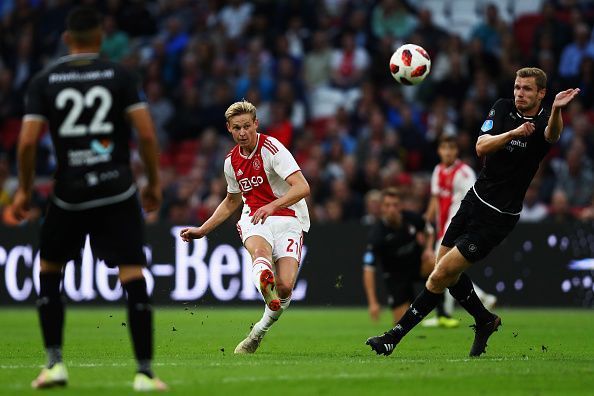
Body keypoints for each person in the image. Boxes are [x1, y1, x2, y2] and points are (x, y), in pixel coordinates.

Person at [366, 67, 579, 357]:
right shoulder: (503, 108)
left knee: (439, 275)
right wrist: (514, 132)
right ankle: (484, 319)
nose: (519, 93)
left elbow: (551, 137)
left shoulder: (545, 119)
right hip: (475, 200)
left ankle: (393, 337)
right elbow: (481, 146)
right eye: (517, 87)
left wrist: (556, 110)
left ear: (542, 93)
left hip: (499, 216)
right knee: (444, 271)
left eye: (527, 89)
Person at [11, 7, 167, 391]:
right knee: (132, 273)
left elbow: (28, 142)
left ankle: (54, 365)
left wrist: (25, 190)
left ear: (68, 39)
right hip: (117, 188)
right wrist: (152, 183)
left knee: (49, 271)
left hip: (70, 193)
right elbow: (146, 135)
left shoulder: (45, 80)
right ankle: (145, 373)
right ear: (100, 38)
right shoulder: (121, 76)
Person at [180, 100, 310, 354]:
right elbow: (231, 201)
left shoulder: (273, 149)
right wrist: (203, 229)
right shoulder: (231, 162)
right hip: (254, 217)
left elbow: (303, 187)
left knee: (285, 287)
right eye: (237, 128)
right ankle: (263, 279)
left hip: (289, 217)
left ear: (256, 124)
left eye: (247, 127)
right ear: (229, 128)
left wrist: (272, 206)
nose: (242, 133)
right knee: (260, 254)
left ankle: (257, 332)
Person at [423, 135, 497, 327]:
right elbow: (434, 199)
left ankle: (445, 314)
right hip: (443, 226)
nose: (447, 152)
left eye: (451, 148)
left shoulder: (465, 173)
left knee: (442, 267)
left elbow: (475, 200)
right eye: (444, 148)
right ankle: (480, 298)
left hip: (457, 225)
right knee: (446, 269)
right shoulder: (437, 171)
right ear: (439, 150)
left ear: (456, 151)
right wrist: (425, 220)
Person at [362, 188, 458, 327]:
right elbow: (368, 270)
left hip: (417, 266)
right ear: (382, 208)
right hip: (396, 276)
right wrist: (373, 303)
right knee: (402, 323)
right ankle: (410, 302)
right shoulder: (377, 235)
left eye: (395, 205)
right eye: (388, 205)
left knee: (436, 263)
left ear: (400, 206)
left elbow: (429, 231)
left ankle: (442, 314)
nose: (392, 209)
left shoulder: (412, 219)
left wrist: (428, 249)